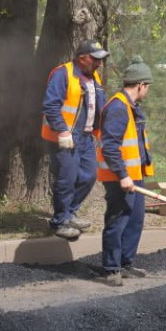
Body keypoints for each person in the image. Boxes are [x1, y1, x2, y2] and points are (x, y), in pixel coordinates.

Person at [41, 38, 108, 239]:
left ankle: (70, 212)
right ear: (82, 58)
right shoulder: (63, 74)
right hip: (66, 139)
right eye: (95, 59)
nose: (99, 63)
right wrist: (62, 131)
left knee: (88, 177)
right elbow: (51, 105)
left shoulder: (94, 77)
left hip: (86, 138)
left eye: (101, 60)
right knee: (66, 180)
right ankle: (60, 221)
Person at [95, 58, 154, 286]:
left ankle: (126, 263)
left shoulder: (131, 107)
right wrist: (123, 175)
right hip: (120, 177)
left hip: (134, 175)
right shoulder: (118, 107)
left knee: (135, 219)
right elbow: (109, 146)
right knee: (117, 220)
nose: (147, 91)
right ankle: (111, 268)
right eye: (147, 86)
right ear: (140, 85)